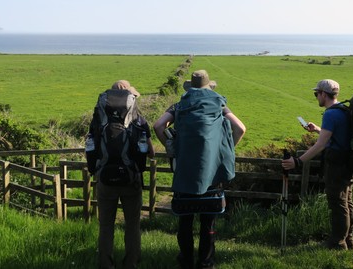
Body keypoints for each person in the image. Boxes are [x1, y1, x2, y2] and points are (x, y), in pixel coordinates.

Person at [154, 70, 246, 269]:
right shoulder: (220, 105)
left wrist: (172, 149)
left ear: (190, 87)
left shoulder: (178, 106)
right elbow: (240, 128)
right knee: (208, 223)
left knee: (184, 222)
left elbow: (159, 125)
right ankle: (206, 263)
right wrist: (224, 150)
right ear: (209, 87)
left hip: (185, 171)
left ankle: (185, 262)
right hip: (212, 173)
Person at [282, 79, 353, 250]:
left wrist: (298, 162)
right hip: (348, 162)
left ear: (324, 94)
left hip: (336, 164)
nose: (316, 97)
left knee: (338, 204)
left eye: (317, 94)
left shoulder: (330, 114)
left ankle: (338, 243)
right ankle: (350, 241)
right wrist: (317, 130)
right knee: (348, 202)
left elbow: (321, 145)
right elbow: (336, 135)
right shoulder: (344, 110)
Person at [90, 80, 155, 269]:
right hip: (131, 180)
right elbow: (150, 152)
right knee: (132, 225)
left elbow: (92, 146)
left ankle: (105, 263)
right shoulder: (139, 121)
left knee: (106, 225)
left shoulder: (98, 119)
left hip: (104, 180)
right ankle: (131, 263)